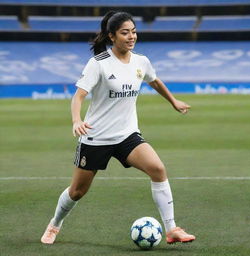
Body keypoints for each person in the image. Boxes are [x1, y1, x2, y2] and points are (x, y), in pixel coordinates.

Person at [41, 11, 195, 245]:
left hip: (127, 136)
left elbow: (154, 80)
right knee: (77, 192)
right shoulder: (98, 63)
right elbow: (78, 96)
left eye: (133, 31)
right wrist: (76, 120)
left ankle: (172, 229)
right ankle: (54, 224)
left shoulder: (141, 61)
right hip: (96, 138)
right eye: (125, 32)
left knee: (158, 169)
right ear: (112, 36)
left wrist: (174, 101)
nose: (131, 36)